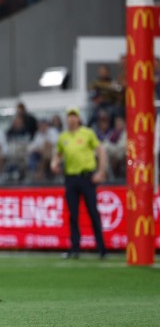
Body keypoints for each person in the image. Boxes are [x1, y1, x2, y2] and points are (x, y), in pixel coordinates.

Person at [50, 107, 107, 259]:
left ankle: (101, 248)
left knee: (93, 213)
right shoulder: (63, 137)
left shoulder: (87, 133)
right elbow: (58, 154)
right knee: (73, 215)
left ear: (78, 118)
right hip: (70, 178)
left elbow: (101, 150)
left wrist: (101, 171)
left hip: (87, 177)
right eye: (69, 116)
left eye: (74, 116)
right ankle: (75, 248)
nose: (71, 119)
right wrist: (54, 163)